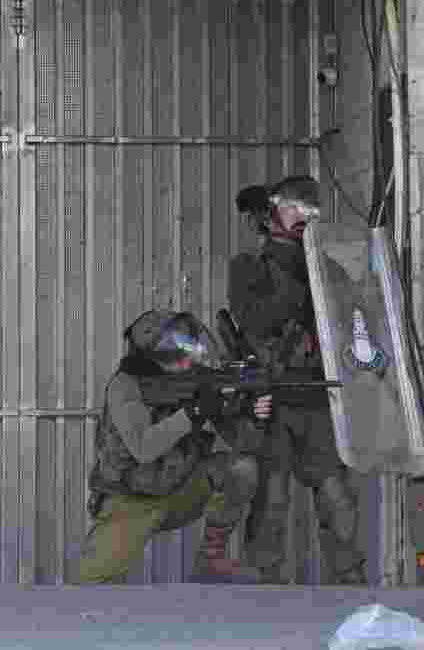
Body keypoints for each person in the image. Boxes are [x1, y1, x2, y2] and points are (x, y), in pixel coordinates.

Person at [230, 176, 366, 585]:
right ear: (272, 215)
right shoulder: (250, 266)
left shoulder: (325, 269)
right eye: (295, 210)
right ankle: (265, 592)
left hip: (320, 397)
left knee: (337, 498)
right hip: (273, 398)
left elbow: (353, 317)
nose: (306, 218)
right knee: (271, 500)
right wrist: (288, 259)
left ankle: (350, 585)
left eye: (311, 211)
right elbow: (260, 319)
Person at [72, 310, 271, 584]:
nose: (189, 357)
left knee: (242, 468)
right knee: (89, 587)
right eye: (178, 350)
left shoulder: (197, 383)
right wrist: (193, 413)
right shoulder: (124, 386)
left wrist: (251, 415)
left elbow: (243, 444)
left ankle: (211, 559)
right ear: (153, 355)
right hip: (132, 501)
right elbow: (143, 447)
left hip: (179, 492)